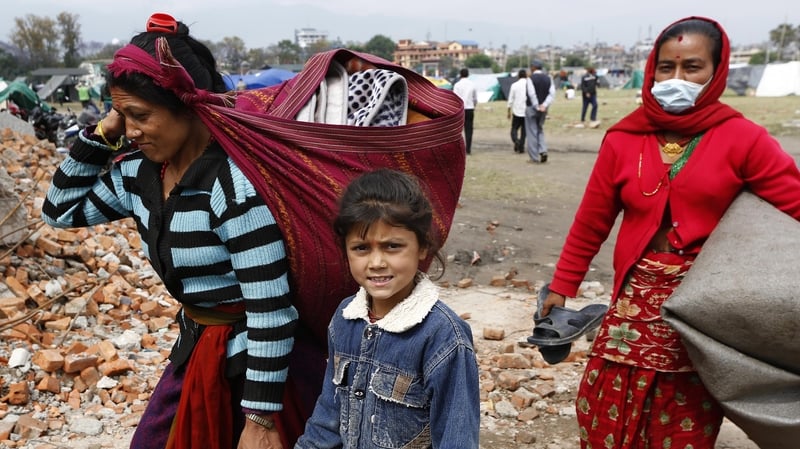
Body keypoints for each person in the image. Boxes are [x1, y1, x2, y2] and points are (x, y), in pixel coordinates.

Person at [539, 16, 800, 449]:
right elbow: (592, 221)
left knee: (681, 416)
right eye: (666, 67)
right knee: (600, 401)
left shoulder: (743, 140)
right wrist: (563, 285)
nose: (676, 78)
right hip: (633, 299)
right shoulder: (624, 138)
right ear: (651, 70)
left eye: (692, 67)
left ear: (716, 71)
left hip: (700, 308)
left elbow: (794, 202)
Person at [42, 13, 296, 449]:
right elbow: (59, 212)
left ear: (189, 106)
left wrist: (261, 419)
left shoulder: (231, 188)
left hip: (257, 367)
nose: (132, 131)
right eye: (122, 115)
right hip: (196, 350)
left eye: (141, 116)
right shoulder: (137, 176)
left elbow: (271, 309)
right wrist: (104, 131)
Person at [294, 168, 480, 449]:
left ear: (421, 247)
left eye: (392, 246)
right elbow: (328, 416)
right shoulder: (345, 319)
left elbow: (457, 438)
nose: (377, 262)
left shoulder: (443, 337)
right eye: (361, 248)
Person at [525, 60, 555, 163]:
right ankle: (543, 150)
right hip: (544, 108)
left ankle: (534, 157)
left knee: (532, 131)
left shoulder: (530, 79)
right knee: (540, 129)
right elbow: (552, 94)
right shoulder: (549, 78)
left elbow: (532, 93)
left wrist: (537, 105)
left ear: (533, 67)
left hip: (532, 108)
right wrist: (544, 105)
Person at [453, 67, 477, 154]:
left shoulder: (457, 85)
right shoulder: (472, 84)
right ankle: (468, 149)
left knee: (458, 130)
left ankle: (458, 149)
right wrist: (474, 105)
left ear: (460, 75)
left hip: (460, 110)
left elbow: (455, 99)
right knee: (469, 129)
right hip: (470, 109)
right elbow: (475, 99)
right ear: (468, 75)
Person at [507, 69, 528, 153]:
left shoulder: (514, 85)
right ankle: (521, 147)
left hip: (517, 111)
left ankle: (516, 140)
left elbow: (510, 99)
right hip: (526, 111)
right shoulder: (529, 85)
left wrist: (508, 111)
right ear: (526, 76)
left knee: (514, 129)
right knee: (524, 131)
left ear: (518, 76)